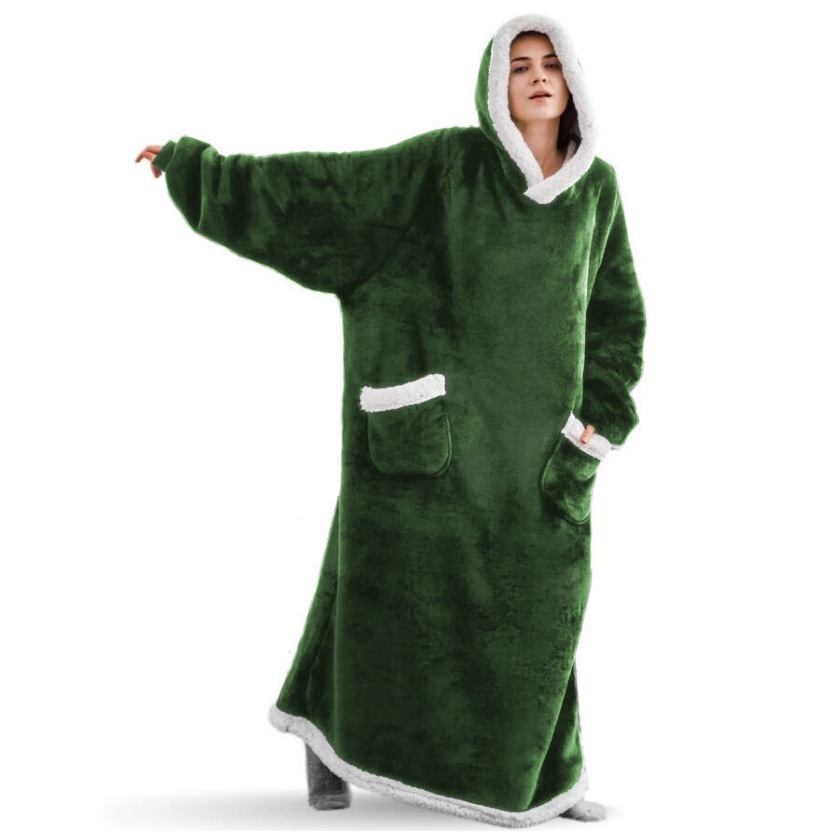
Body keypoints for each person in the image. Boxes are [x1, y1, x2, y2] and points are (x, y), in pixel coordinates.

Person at [136, 12, 646, 829]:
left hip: (540, 456)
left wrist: (597, 425)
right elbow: (326, 196)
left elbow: (617, 318)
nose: (537, 77)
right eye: (519, 65)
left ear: (574, 80)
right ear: (495, 85)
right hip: (431, 445)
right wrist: (202, 172)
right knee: (382, 597)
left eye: (551, 63)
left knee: (543, 611)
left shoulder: (598, 191)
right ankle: (331, 745)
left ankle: (545, 776)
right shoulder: (444, 166)